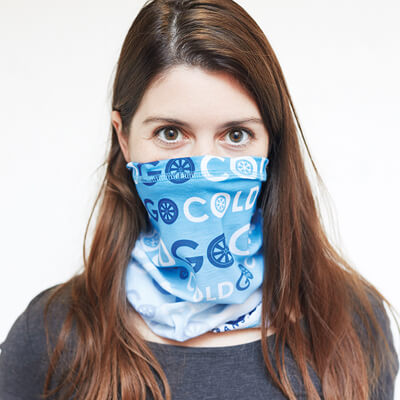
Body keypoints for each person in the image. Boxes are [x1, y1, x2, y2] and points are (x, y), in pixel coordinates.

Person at [0, 0, 398, 399]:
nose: (204, 167)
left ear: (271, 143)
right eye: (171, 133)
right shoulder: (49, 337)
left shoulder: (352, 323)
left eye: (236, 135)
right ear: (124, 137)